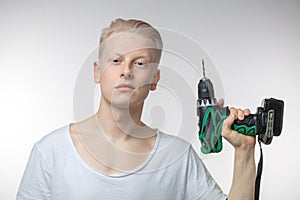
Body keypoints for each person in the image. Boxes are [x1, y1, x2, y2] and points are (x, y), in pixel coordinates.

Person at [17, 18, 256, 200]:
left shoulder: (177, 157)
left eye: (140, 63)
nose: (126, 71)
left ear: (155, 79)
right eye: (116, 60)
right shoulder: (51, 152)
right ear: (97, 72)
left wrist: (244, 153)